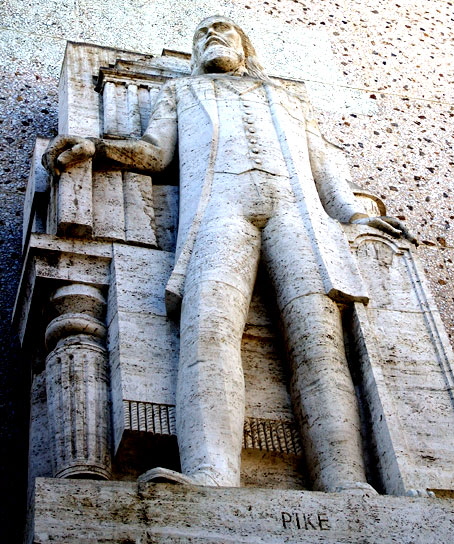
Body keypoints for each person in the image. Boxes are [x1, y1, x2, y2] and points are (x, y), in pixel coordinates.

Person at [43, 15, 416, 493]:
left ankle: (346, 481)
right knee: (208, 327)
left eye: (223, 30)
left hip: (297, 215)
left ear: (246, 45)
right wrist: (96, 146)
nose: (212, 37)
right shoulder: (181, 93)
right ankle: (211, 473)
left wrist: (354, 215)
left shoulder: (287, 97)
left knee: (318, 343)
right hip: (220, 210)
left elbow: (325, 167)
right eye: (202, 34)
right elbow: (155, 153)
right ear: (195, 54)